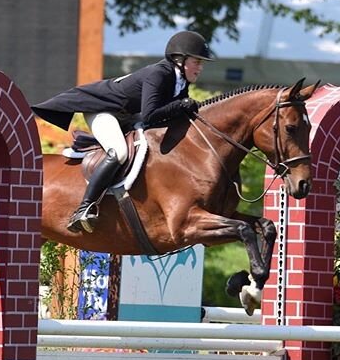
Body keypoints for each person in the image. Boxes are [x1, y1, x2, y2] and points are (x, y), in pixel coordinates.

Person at [32, 30, 215, 233]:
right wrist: (181, 105)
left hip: (127, 115)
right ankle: (84, 208)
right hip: (102, 111)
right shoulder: (159, 74)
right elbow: (150, 115)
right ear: (179, 59)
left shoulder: (180, 82)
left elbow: (167, 115)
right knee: (119, 151)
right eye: (196, 62)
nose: (200, 67)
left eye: (201, 63)